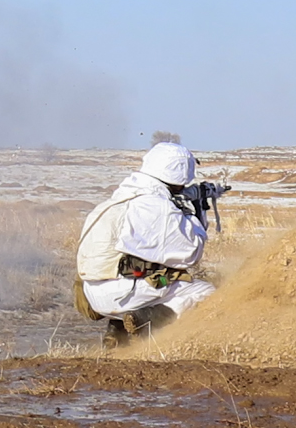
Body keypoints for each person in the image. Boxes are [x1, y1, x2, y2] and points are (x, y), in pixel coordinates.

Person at [76, 142, 215, 347]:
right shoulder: (154, 205)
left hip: (92, 293)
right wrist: (192, 212)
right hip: (123, 293)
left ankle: (118, 332)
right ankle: (145, 321)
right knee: (203, 291)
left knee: (147, 273)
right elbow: (191, 253)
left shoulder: (123, 196)